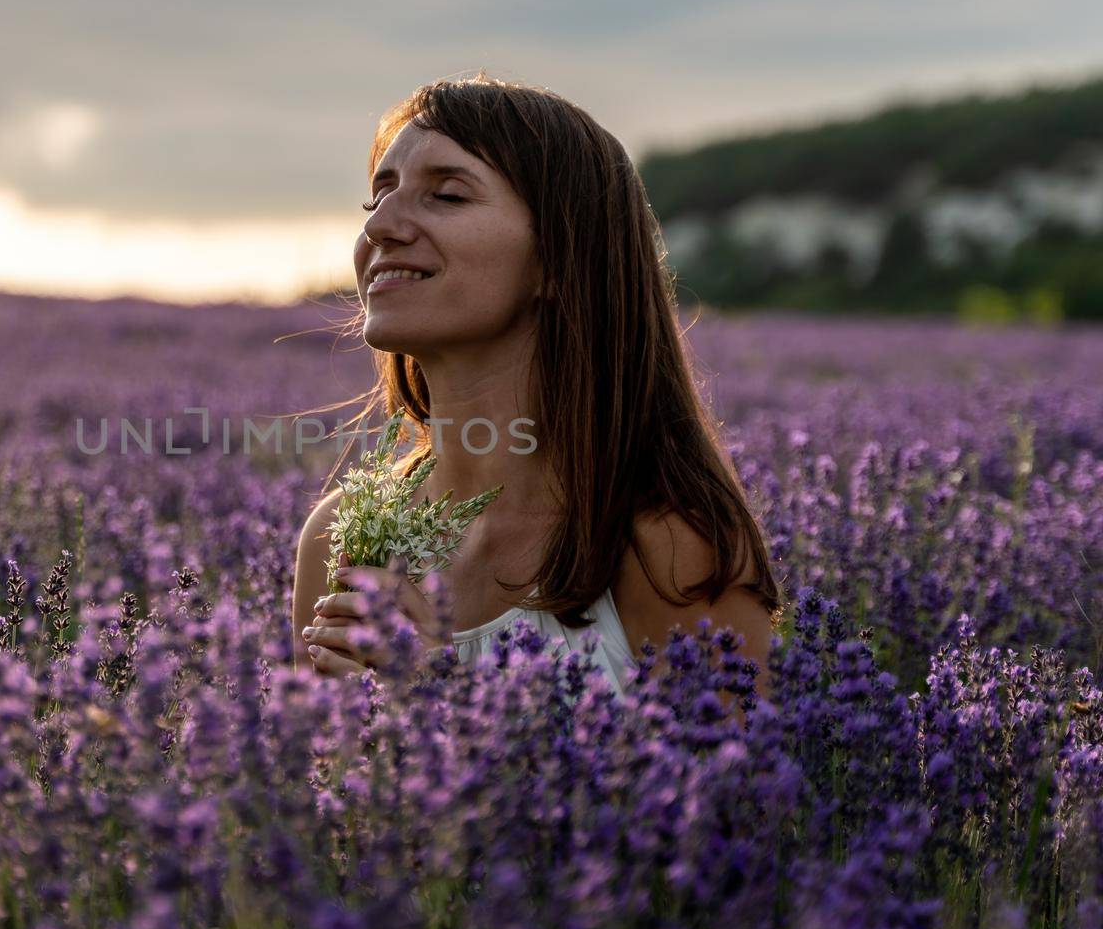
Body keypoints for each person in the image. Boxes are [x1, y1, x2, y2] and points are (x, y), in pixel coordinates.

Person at [290, 71, 783, 705]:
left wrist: (441, 701)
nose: (380, 226)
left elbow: (744, 802)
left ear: (557, 257)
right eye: (377, 197)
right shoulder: (339, 539)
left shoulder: (663, 546)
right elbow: (314, 796)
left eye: (445, 195)